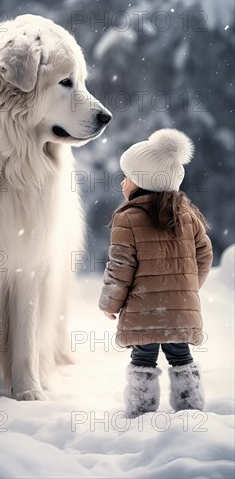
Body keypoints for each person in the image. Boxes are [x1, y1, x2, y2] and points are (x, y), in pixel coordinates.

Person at [99, 129, 213, 418]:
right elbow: (204, 254)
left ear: (144, 181)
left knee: (143, 359)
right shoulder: (188, 215)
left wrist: (110, 303)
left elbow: (120, 266)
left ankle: (141, 412)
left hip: (143, 311)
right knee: (181, 357)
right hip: (179, 311)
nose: (123, 181)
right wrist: (185, 289)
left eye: (128, 176)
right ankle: (190, 409)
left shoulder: (127, 218)